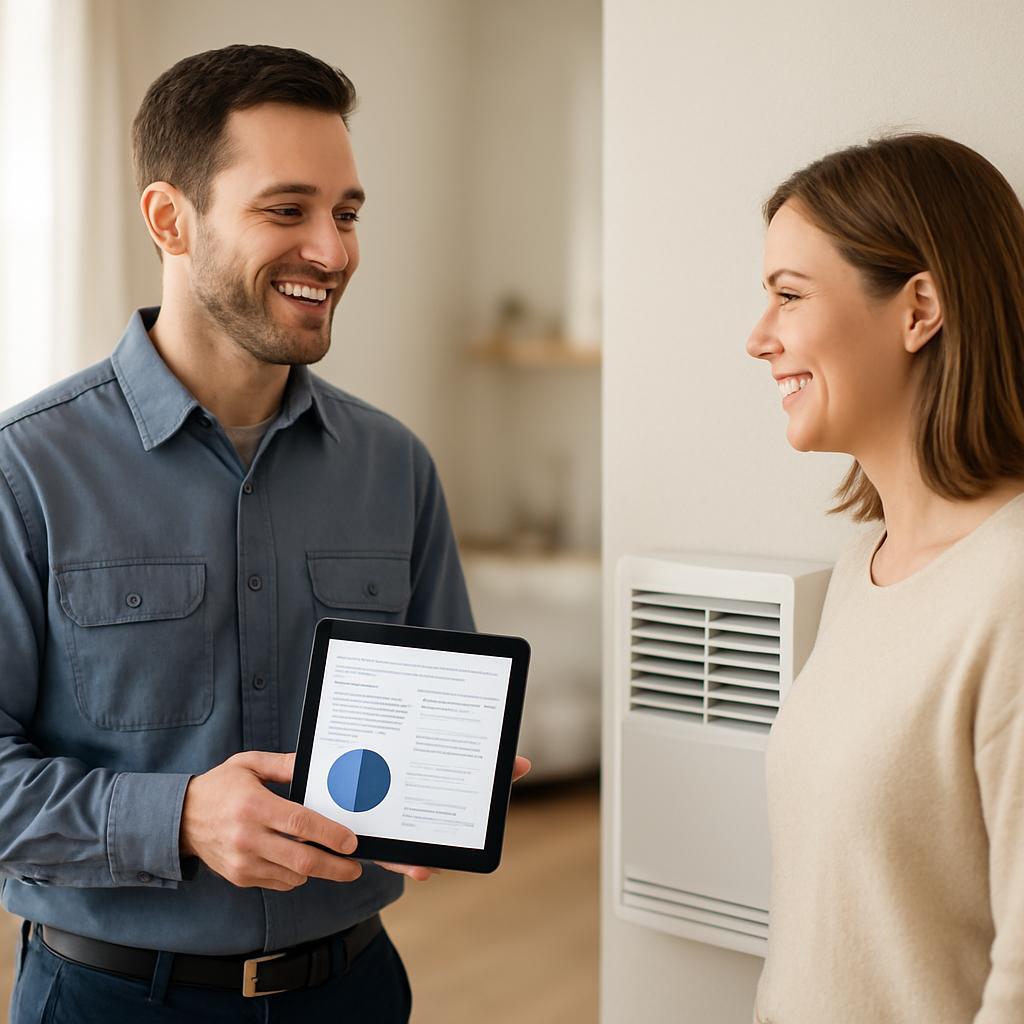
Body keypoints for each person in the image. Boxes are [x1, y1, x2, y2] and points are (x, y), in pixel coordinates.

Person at [0, 43, 528, 1024]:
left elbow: (434, 708)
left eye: (347, 213)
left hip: (355, 991)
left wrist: (450, 785)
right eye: (287, 210)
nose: (332, 251)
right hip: (108, 1001)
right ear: (171, 218)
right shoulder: (24, 470)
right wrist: (180, 818)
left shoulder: (395, 466)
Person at [746, 132, 1024, 1023]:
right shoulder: (866, 566)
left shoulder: (1011, 593)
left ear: (919, 309)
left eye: (789, 296)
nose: (759, 339)